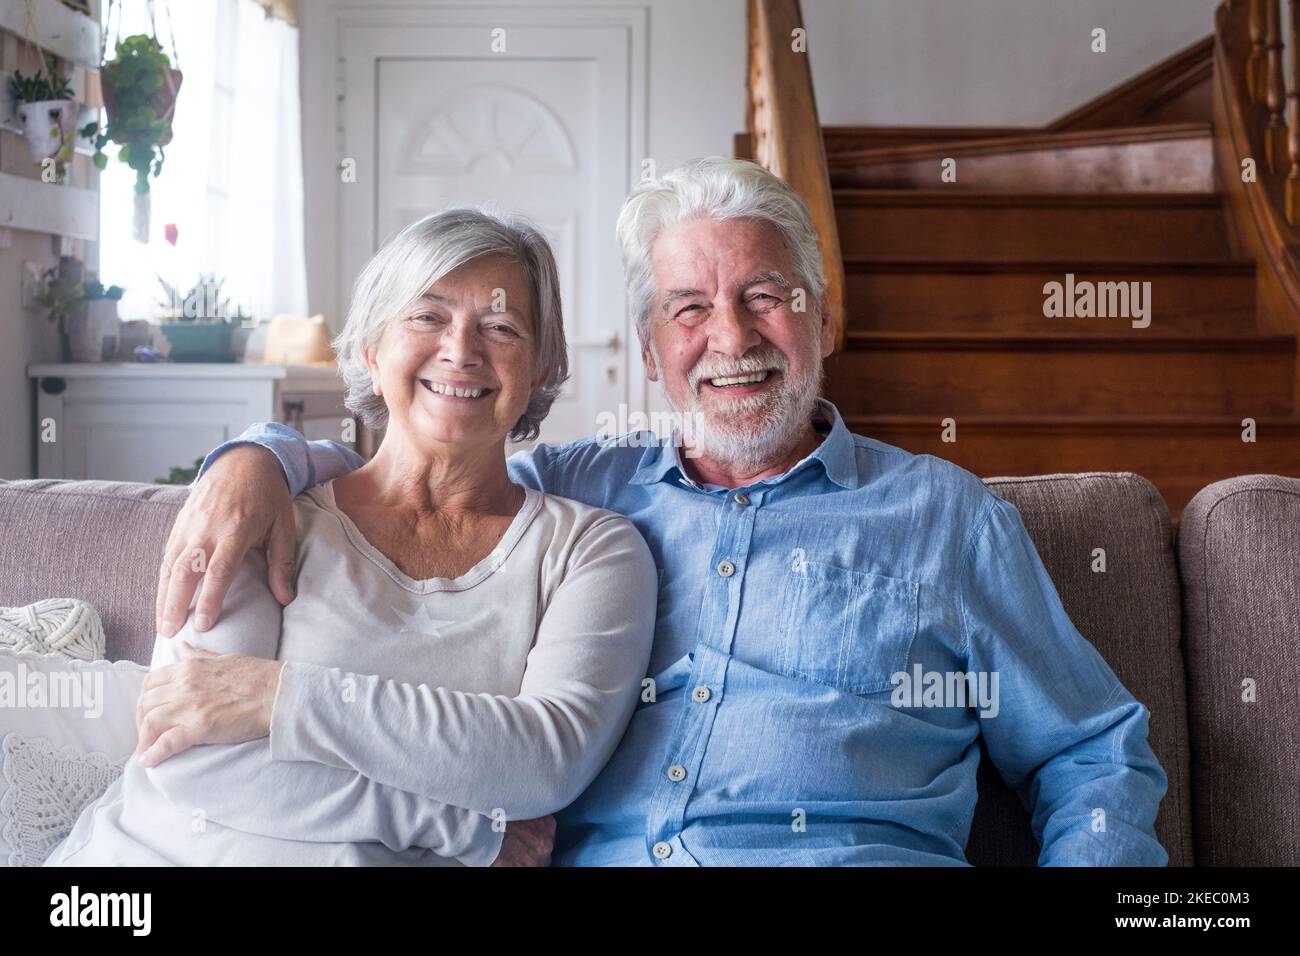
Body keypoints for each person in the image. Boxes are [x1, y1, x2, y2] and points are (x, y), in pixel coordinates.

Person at [156, 157, 1169, 866]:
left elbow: (1090, 750)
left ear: (818, 314)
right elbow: (419, 468)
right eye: (689, 307)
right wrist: (260, 455)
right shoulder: (578, 493)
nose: (730, 336)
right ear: (650, 349)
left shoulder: (941, 517)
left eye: (765, 294)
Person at [45, 208, 657, 867]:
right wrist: (468, 826)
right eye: (427, 316)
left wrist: (276, 696)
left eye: (502, 327)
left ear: (539, 368)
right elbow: (189, 762)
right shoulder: (267, 509)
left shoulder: (590, 552)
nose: (462, 350)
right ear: (372, 348)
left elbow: (542, 762)